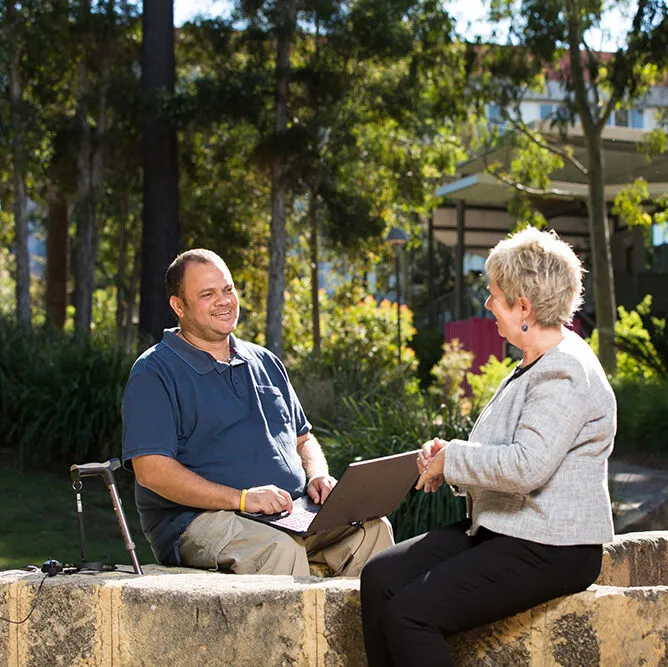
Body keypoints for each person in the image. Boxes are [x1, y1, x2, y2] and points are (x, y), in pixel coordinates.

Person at [360, 226, 616, 666]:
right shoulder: (535, 359)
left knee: (410, 614)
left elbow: (527, 466)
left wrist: (453, 458)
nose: (487, 304)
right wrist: (448, 455)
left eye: (493, 295)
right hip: (509, 527)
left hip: (554, 547)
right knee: (380, 576)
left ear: (523, 307)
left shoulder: (565, 371)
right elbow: (506, 449)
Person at [122, 248, 393, 576]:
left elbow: (303, 439)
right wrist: (241, 499)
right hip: (198, 521)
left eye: (228, 289)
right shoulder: (155, 371)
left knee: (374, 529)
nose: (224, 301)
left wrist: (318, 475)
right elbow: (152, 471)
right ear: (179, 306)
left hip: (292, 512)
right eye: (208, 294)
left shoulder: (265, 361)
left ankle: (361, 630)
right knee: (276, 548)